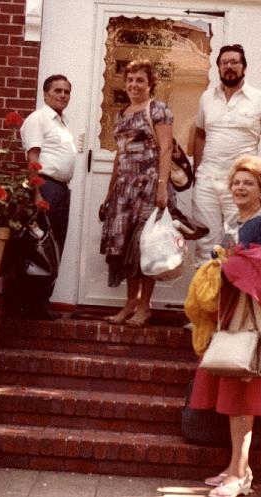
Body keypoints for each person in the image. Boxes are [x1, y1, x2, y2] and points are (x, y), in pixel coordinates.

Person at [188, 155, 261, 497]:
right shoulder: (238, 222)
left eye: (249, 183)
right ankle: (236, 468)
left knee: (244, 398)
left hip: (251, 322)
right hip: (232, 316)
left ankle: (240, 476)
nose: (240, 187)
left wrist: (236, 270)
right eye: (236, 182)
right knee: (234, 397)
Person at [99, 59, 176, 327]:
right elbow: (120, 156)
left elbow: (165, 149)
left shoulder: (158, 109)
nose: (134, 85)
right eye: (130, 80)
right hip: (124, 189)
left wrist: (162, 186)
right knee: (126, 249)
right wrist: (109, 195)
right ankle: (130, 302)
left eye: (140, 80)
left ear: (150, 83)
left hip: (149, 185)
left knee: (146, 247)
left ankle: (145, 305)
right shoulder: (123, 114)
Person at [192, 44, 261, 266]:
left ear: (244, 67)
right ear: (218, 68)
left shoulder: (260, 99)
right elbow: (200, 136)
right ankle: (207, 298)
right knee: (205, 242)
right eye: (224, 63)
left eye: (234, 62)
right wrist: (197, 172)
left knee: (238, 243)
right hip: (207, 182)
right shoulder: (206, 98)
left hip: (241, 185)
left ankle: (231, 300)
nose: (229, 67)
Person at [20, 74, 77, 320]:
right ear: (45, 94)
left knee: (54, 246)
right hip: (46, 188)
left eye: (66, 91)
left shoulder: (61, 123)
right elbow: (32, 159)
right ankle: (32, 303)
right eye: (57, 91)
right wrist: (36, 193)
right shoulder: (38, 119)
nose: (62, 95)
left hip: (61, 189)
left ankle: (42, 300)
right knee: (40, 246)